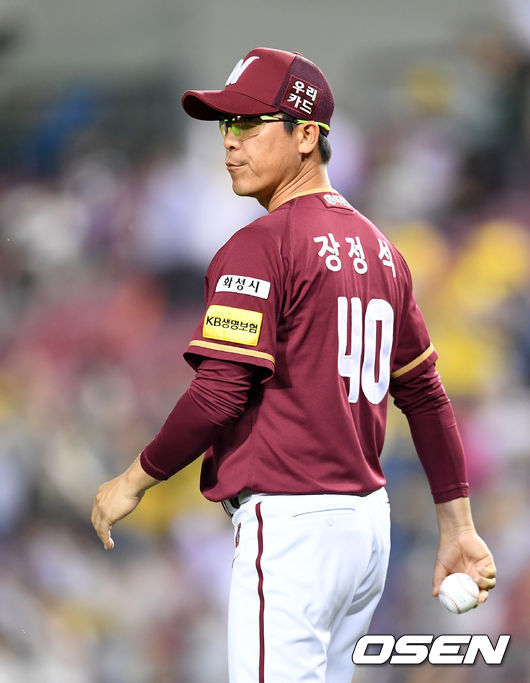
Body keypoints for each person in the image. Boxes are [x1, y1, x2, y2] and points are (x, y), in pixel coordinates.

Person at [91, 47, 497, 682]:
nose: (230, 142)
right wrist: (458, 526)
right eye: (226, 125)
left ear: (307, 135)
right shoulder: (382, 251)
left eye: (249, 124)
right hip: (366, 530)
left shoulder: (260, 246)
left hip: (292, 527)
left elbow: (219, 393)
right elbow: (424, 395)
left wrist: (134, 479)